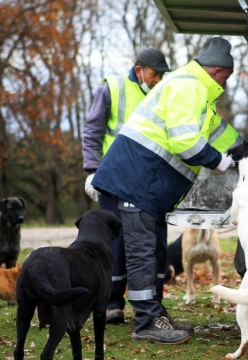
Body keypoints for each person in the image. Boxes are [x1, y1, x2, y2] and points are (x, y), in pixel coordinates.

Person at [91, 37, 243, 344]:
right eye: (226, 77)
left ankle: (154, 315)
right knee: (143, 252)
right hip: (137, 180)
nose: (227, 84)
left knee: (155, 251)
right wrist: (219, 162)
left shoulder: (198, 91)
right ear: (217, 71)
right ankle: (146, 323)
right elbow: (183, 140)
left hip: (145, 183)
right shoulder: (190, 86)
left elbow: (217, 131)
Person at [82, 48, 170, 325]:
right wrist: (92, 170)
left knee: (156, 243)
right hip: (114, 180)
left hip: (149, 182)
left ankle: (153, 303)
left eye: (160, 75)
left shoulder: (163, 91)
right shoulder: (112, 89)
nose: (157, 80)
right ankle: (111, 304)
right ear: (139, 70)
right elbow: (93, 130)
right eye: (154, 74)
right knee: (115, 244)